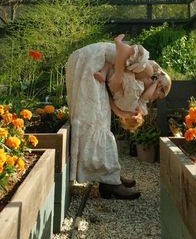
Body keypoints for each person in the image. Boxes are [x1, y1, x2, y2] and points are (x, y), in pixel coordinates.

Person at [65, 35, 171, 200]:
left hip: (88, 61)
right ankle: (110, 182)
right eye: (158, 93)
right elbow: (122, 53)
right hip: (88, 61)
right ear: (158, 82)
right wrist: (117, 74)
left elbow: (108, 95)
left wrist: (121, 113)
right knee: (94, 120)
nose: (153, 99)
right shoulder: (147, 70)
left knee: (100, 120)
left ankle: (110, 177)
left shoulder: (138, 78)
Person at [94, 34, 171, 131]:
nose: (155, 98)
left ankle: (122, 53)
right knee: (117, 77)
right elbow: (145, 96)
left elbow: (113, 102)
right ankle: (123, 54)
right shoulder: (141, 103)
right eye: (158, 94)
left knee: (116, 77)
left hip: (121, 91)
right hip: (122, 87)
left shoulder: (137, 107)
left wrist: (120, 112)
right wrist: (155, 84)